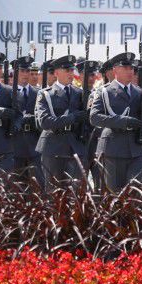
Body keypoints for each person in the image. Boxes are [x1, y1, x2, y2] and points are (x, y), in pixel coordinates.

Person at [89, 52, 142, 192]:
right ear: (115, 70)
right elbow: (94, 117)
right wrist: (122, 121)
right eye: (126, 68)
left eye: (132, 68)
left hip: (136, 148)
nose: (130, 71)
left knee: (135, 191)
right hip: (112, 148)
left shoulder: (139, 92)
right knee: (115, 192)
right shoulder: (104, 91)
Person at [35, 54, 88, 185]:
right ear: (57, 72)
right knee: (54, 192)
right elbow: (45, 122)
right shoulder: (46, 94)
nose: (71, 73)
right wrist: (72, 117)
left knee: (75, 193)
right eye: (67, 70)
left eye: (72, 70)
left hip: (75, 146)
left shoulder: (80, 93)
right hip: (53, 146)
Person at [10, 55, 43, 186]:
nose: (25, 74)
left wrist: (30, 119)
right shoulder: (8, 92)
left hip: (33, 143)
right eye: (22, 71)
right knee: (16, 187)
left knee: (36, 186)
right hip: (14, 143)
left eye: (27, 71)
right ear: (15, 72)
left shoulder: (38, 93)